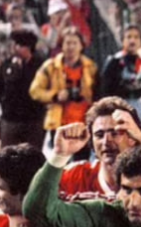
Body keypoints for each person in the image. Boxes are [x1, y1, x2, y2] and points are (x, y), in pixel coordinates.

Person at [29, 26, 98, 161]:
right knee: (59, 163)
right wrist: (55, 96)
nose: (71, 47)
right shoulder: (50, 66)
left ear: (81, 46)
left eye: (74, 43)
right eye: (67, 43)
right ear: (61, 45)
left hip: (83, 123)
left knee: (81, 164)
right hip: (58, 123)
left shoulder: (91, 67)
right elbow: (35, 90)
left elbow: (97, 94)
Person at [100, 25, 141, 135]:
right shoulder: (114, 62)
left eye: (136, 37)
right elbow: (104, 92)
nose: (132, 41)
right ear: (123, 41)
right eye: (129, 37)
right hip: (121, 116)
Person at [0, 29, 45, 149]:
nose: (15, 48)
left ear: (28, 47)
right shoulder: (6, 64)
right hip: (10, 119)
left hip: (33, 120)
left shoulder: (41, 66)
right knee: (8, 153)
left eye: (19, 45)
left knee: (33, 154)